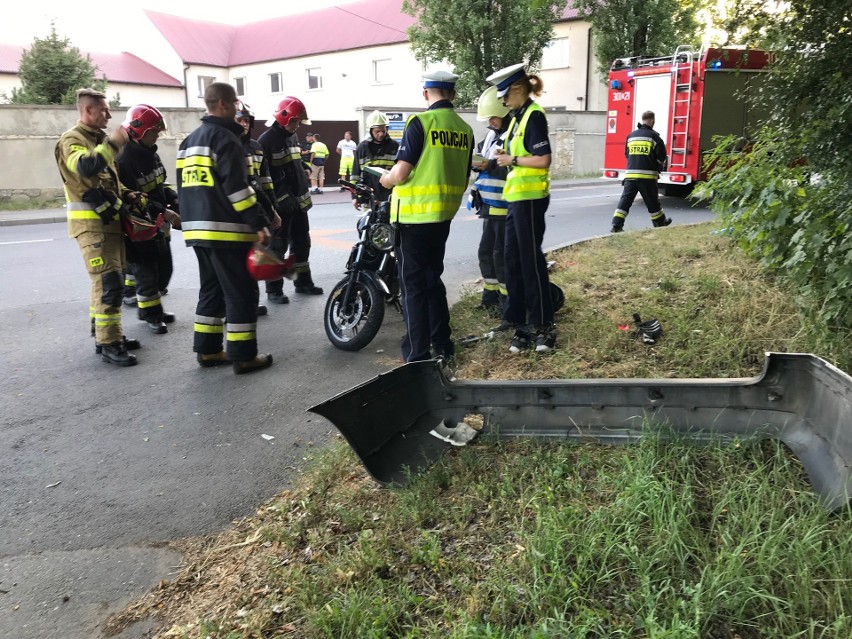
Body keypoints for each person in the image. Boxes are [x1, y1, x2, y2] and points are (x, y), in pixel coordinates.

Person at [177, 82, 273, 374]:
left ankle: (207, 351)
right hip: (226, 231)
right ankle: (244, 356)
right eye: (233, 104)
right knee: (241, 292)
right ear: (222, 104)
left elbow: (184, 189)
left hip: (197, 231)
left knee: (212, 290)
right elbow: (238, 190)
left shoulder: (189, 142)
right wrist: (259, 223)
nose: (236, 109)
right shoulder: (226, 139)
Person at [379, 70, 473, 362]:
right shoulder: (465, 129)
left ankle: (417, 356)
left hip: (413, 219)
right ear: (453, 95)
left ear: (425, 94)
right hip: (442, 217)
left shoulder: (420, 122)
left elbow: (402, 172)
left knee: (413, 289)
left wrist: (385, 179)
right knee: (433, 280)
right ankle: (443, 344)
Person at [54, 87, 141, 366]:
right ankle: (109, 343)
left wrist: (127, 193)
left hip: (108, 224)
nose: (109, 115)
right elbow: (86, 168)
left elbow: (107, 180)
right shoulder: (73, 140)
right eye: (103, 110)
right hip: (92, 228)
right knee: (109, 283)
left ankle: (106, 334)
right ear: (87, 111)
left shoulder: (97, 139)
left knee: (105, 281)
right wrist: (114, 142)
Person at [486, 62, 556, 353]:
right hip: (516, 200)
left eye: (505, 95)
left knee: (530, 262)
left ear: (517, 90)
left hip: (530, 199)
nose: (503, 102)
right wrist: (503, 155)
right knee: (512, 259)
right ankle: (515, 319)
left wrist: (511, 160)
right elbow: (519, 153)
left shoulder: (534, 116)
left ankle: (542, 323)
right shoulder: (517, 117)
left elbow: (543, 159)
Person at [116, 104, 181, 335]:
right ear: (139, 131)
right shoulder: (124, 161)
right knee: (147, 273)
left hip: (158, 223)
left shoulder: (150, 154)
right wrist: (163, 210)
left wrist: (174, 200)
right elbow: (134, 198)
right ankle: (151, 314)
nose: (158, 135)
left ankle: (152, 307)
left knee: (165, 270)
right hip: (139, 227)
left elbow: (159, 184)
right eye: (155, 131)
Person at [258, 96, 323, 296]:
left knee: (302, 244)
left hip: (299, 204)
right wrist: (281, 200)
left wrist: (303, 167)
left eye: (298, 122)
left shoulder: (292, 137)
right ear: (283, 117)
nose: (297, 125)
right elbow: (265, 176)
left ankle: (302, 282)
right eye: (294, 121)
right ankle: (274, 289)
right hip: (282, 206)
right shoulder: (266, 141)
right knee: (278, 247)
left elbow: (293, 162)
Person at [235, 100, 283, 317]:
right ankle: (233, 309)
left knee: (253, 259)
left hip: (256, 206)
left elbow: (264, 180)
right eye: (240, 120)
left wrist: (272, 207)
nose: (244, 124)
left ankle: (250, 305)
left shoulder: (256, 147)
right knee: (235, 266)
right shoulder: (228, 145)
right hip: (237, 214)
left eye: (247, 120)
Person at [470, 86, 510, 317]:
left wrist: (490, 165)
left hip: (504, 205)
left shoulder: (511, 137)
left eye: (492, 117)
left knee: (499, 255)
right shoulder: (491, 137)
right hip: (489, 204)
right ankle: (490, 296)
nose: (490, 122)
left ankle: (506, 302)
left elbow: (513, 169)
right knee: (486, 252)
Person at [610, 110, 671, 233]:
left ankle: (616, 225)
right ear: (652, 121)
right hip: (647, 177)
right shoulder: (655, 137)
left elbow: (627, 154)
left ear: (643, 120)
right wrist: (657, 169)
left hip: (630, 176)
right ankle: (659, 223)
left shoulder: (631, 136)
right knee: (652, 202)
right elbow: (661, 158)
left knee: (625, 201)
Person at [350, 111, 399, 208]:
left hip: (390, 198)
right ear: (370, 131)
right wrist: (354, 197)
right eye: (377, 131)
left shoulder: (395, 147)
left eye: (383, 131)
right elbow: (355, 174)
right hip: (369, 198)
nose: (381, 134)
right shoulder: (362, 148)